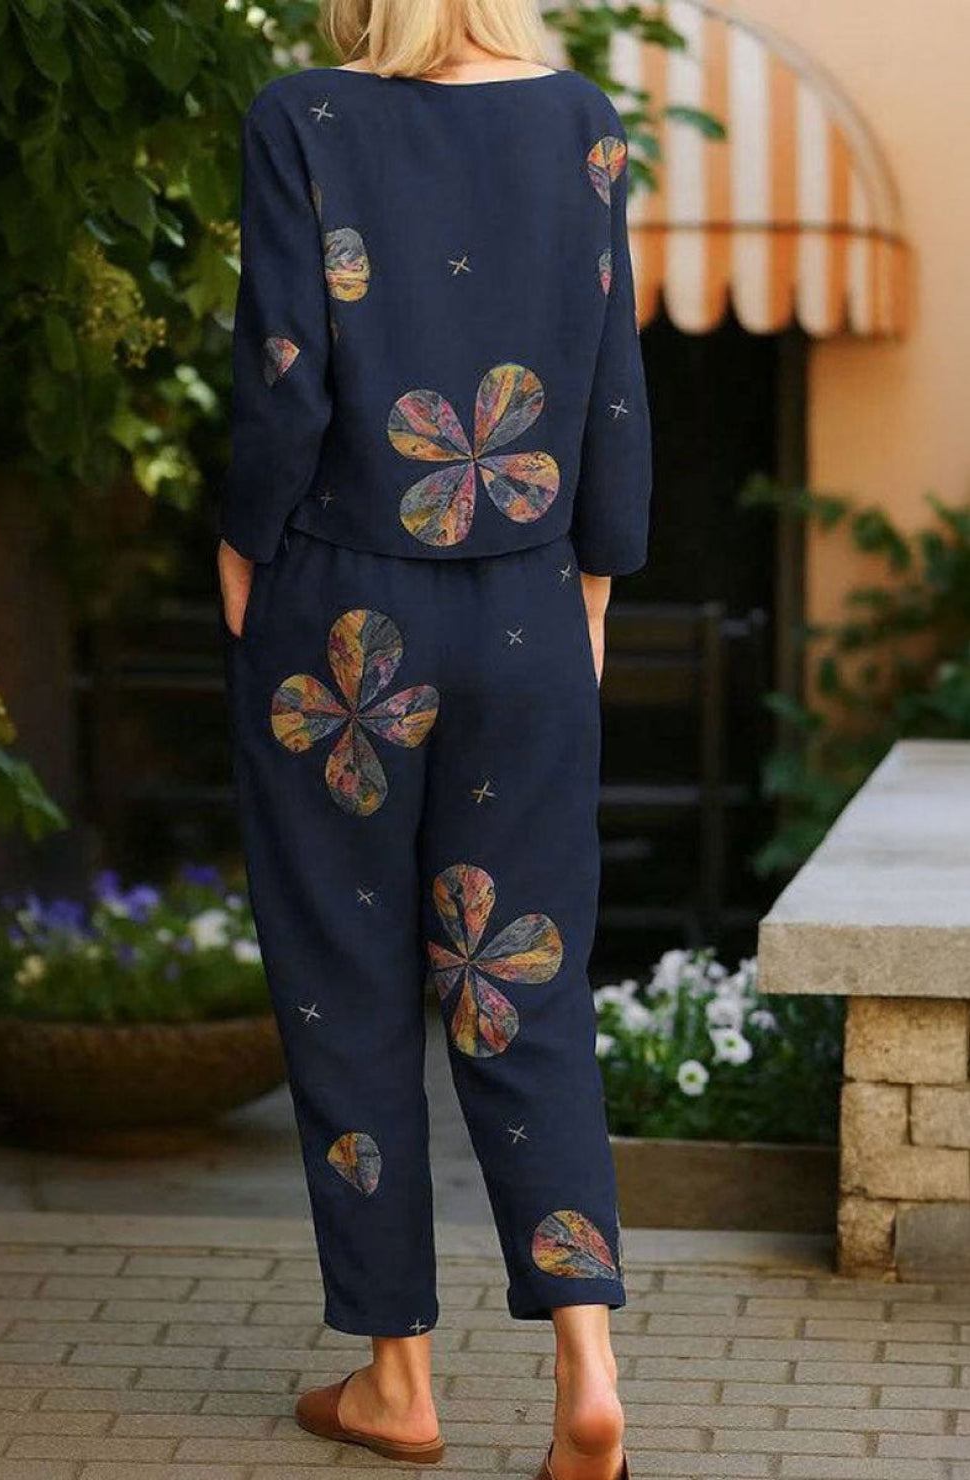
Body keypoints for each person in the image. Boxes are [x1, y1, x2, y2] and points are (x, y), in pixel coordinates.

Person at [217, 0, 651, 1474]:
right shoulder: (581, 119)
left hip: (343, 616)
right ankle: (587, 1363)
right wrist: (596, 578)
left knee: (347, 977)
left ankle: (399, 1382)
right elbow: (610, 374)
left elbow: (285, 360)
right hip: (529, 599)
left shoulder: (305, 115)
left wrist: (242, 538)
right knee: (517, 976)